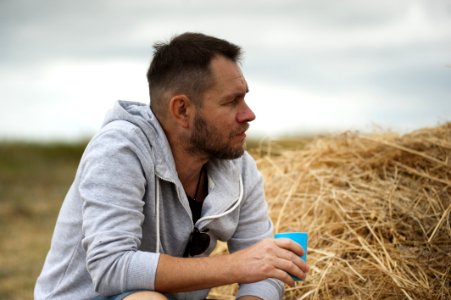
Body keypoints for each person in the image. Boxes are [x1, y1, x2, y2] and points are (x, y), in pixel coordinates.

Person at [35, 32, 308, 300]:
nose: (248, 114)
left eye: (244, 98)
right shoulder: (120, 149)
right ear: (182, 110)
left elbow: (264, 268)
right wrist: (237, 265)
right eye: (231, 101)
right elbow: (111, 267)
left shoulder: (238, 166)